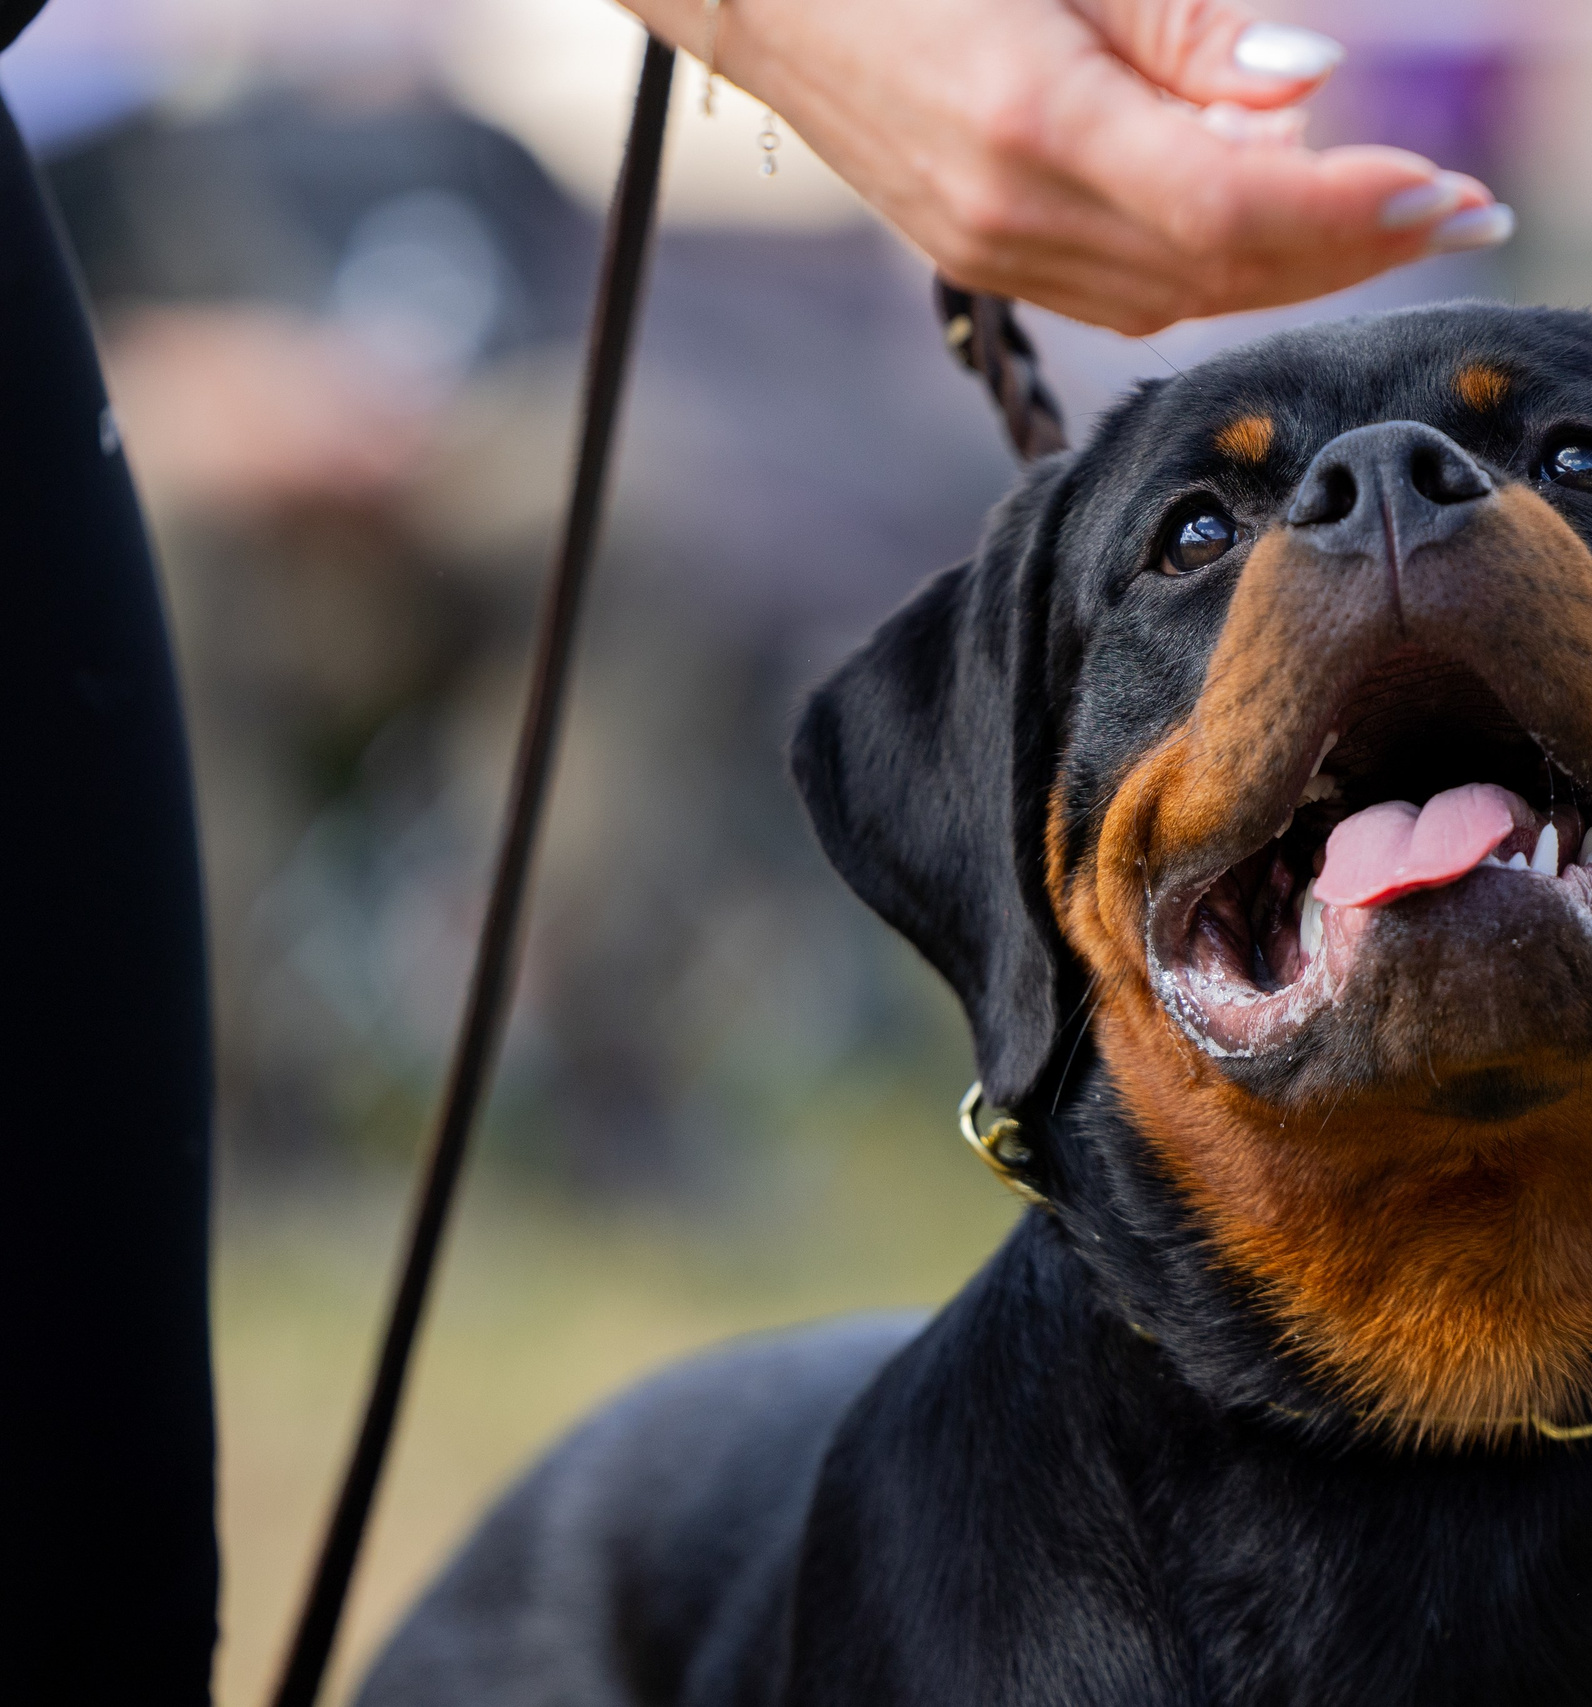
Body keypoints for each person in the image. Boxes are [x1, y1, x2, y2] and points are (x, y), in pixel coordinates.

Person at [0, 0, 1506, 1697]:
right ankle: (265, 1105)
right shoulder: (140, 142)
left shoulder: (475, 153)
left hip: (442, 476)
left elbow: (566, 349)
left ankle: (588, 1049)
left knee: (650, 504)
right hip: (214, 491)